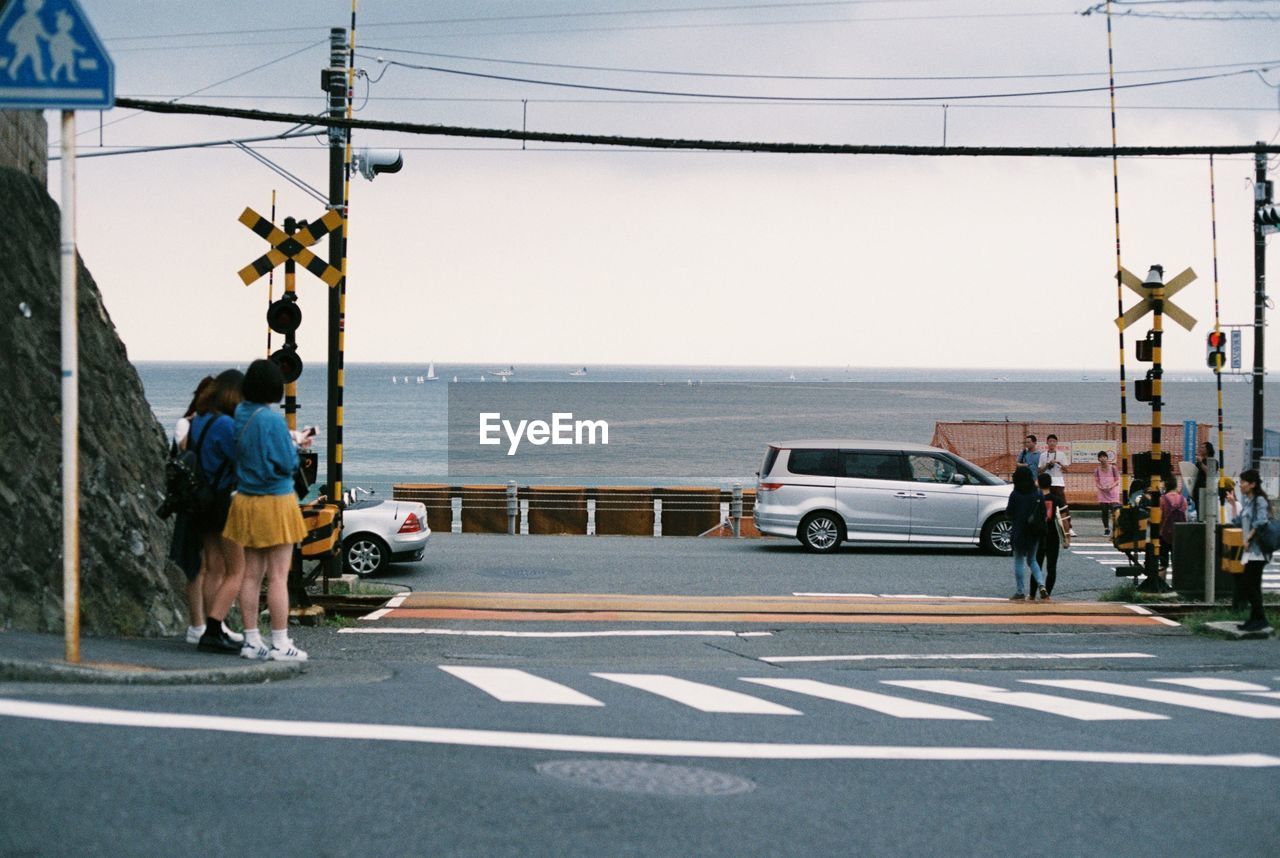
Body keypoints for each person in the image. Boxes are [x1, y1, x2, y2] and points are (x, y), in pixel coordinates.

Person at [224, 359, 309, 662]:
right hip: (275, 501)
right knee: (277, 576)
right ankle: (281, 642)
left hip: (246, 500)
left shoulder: (240, 414)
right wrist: (296, 447)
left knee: (251, 575)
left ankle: (251, 640)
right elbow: (287, 463)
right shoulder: (272, 421)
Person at [191, 370, 246, 654]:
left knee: (213, 566)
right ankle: (214, 628)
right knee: (238, 570)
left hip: (202, 500)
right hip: (224, 500)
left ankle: (214, 627)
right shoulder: (225, 424)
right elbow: (241, 458)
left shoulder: (199, 420)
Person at [172, 375, 214, 645]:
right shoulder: (186, 424)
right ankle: (197, 623)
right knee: (197, 567)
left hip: (204, 501)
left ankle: (208, 623)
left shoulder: (194, 424)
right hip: (193, 502)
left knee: (210, 567)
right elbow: (185, 452)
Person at [1233, 469, 1273, 633]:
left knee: (1248, 584)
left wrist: (1249, 538)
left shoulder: (1260, 501)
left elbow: (1262, 521)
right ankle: (1256, 619)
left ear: (1252, 484)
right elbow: (1237, 522)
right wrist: (1231, 504)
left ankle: (1260, 618)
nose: (1240, 485)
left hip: (1259, 551)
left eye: (1243, 482)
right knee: (1253, 585)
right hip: (1250, 551)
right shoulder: (1248, 502)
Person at [1005, 465, 1047, 601]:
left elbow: (1009, 513)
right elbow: (1044, 513)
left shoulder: (1015, 494)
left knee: (1018, 560)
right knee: (1032, 560)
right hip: (1034, 532)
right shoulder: (1038, 493)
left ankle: (1020, 591)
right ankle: (1041, 584)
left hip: (1019, 531)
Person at [1038, 433, 1074, 536]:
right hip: (1046, 484)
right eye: (1050, 441)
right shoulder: (1043, 455)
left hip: (1058, 483)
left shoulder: (1061, 455)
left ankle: (1069, 527)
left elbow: (1066, 470)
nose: (1052, 443)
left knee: (1063, 505)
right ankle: (1045, 524)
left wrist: (1058, 463)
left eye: (1054, 441)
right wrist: (1048, 464)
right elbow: (1039, 470)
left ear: (1056, 443)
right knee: (1045, 504)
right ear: (1047, 443)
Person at [1034, 472, 1062, 599]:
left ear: (1038, 483)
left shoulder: (1035, 498)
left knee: (1036, 564)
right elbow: (1065, 518)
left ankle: (1031, 594)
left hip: (1038, 535)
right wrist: (1066, 539)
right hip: (1053, 535)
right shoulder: (1057, 500)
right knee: (1052, 566)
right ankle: (1047, 594)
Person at [1158, 478, 1189, 573]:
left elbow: (1159, 518)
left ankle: (1162, 585)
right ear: (1175, 486)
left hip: (1164, 534)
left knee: (1163, 563)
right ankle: (1176, 585)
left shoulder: (1162, 499)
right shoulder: (1183, 500)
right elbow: (1186, 518)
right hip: (1179, 534)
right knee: (1177, 562)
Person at [1094, 450, 1120, 537]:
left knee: (1115, 510)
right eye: (1100, 457)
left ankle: (1116, 529)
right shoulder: (1097, 470)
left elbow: (1117, 480)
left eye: (1104, 456)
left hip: (1113, 492)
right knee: (1104, 511)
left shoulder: (1113, 468)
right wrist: (1101, 487)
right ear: (1098, 459)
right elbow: (1096, 481)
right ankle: (1106, 529)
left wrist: (1110, 486)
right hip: (1102, 492)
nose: (1102, 458)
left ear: (1107, 458)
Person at [1193, 440, 1215, 510]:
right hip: (1197, 491)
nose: (1200, 449)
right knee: (1199, 512)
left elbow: (1210, 473)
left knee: (1205, 512)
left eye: (1202, 448)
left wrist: (1201, 462)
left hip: (1205, 490)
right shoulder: (1198, 463)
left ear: (1208, 450)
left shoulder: (1212, 461)